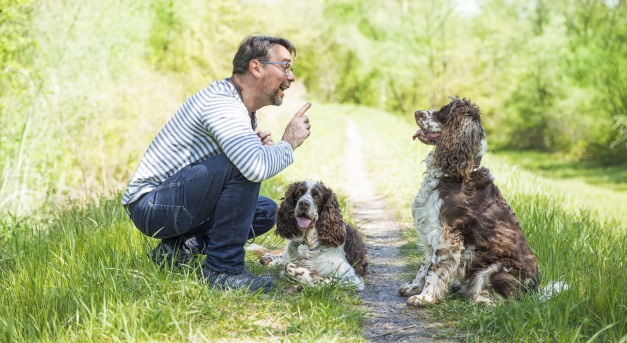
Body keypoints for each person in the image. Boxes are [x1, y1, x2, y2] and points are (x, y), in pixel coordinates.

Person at [122, 35, 311, 293]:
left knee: (266, 211)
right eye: (285, 66)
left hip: (174, 200)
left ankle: (178, 250)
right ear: (256, 68)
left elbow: (236, 163)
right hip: (151, 205)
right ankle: (224, 271)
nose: (290, 77)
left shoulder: (241, 109)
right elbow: (252, 167)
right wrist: (288, 143)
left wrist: (256, 148)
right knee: (242, 165)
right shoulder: (223, 103)